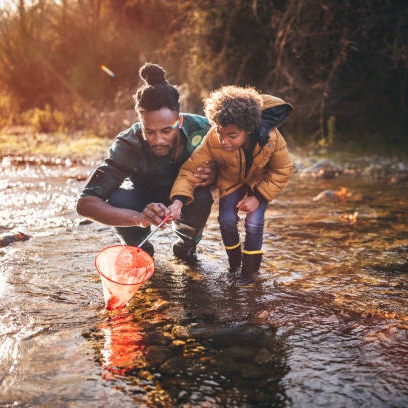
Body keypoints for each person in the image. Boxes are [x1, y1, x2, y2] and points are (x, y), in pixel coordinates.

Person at [76, 63, 215, 260]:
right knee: (118, 199)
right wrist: (138, 219)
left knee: (202, 196)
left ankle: (187, 245)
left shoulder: (204, 130)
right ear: (140, 122)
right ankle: (140, 250)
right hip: (141, 198)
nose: (158, 140)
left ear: (180, 121)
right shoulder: (128, 143)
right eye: (149, 131)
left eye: (167, 131)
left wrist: (215, 174)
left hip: (188, 198)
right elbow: (85, 203)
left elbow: (239, 163)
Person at [168, 86, 294, 283]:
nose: (224, 141)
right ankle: (235, 266)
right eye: (220, 132)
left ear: (249, 129)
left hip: (259, 183)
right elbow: (190, 171)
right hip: (230, 181)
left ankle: (250, 273)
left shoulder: (271, 138)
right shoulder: (212, 139)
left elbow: (283, 169)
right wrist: (177, 201)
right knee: (226, 220)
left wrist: (258, 197)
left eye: (232, 136)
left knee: (254, 222)